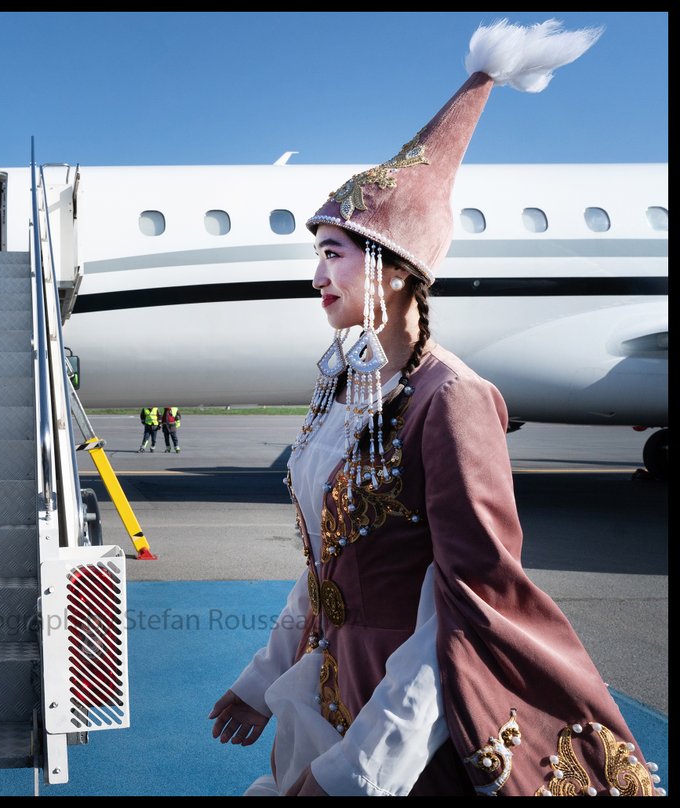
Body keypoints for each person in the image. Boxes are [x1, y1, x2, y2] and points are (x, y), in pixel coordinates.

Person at [208, 20, 664, 796]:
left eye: (332, 253)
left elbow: (466, 609)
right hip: (336, 687)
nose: (316, 273)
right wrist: (262, 679)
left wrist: (359, 771)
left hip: (418, 723)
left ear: (390, 266)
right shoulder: (347, 389)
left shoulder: (451, 400)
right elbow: (324, 573)